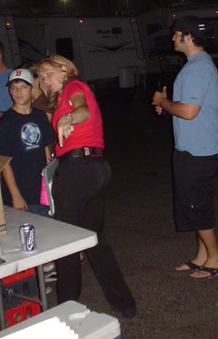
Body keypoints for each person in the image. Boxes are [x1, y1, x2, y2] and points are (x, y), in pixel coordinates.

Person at [37, 54, 136, 318]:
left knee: (67, 241)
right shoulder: (61, 95)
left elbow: (82, 110)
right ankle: (124, 303)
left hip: (77, 171)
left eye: (48, 73)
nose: (45, 80)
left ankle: (67, 310)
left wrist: (66, 119)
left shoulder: (74, 87)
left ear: (64, 69)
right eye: (41, 76)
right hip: (95, 168)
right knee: (94, 239)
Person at [152, 15, 218, 280]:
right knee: (196, 204)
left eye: (177, 34)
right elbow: (187, 108)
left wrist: (165, 101)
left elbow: (188, 111)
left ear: (189, 36)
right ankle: (202, 256)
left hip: (198, 151)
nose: (173, 37)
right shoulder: (199, 64)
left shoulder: (197, 68)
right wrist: (168, 105)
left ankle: (216, 257)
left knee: (197, 206)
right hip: (196, 148)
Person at [0, 68, 55, 217]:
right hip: (21, 190)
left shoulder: (40, 116)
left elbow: (46, 148)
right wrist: (15, 195)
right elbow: (3, 160)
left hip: (40, 190)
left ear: (32, 89)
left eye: (23, 87)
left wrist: (49, 183)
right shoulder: (6, 121)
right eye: (14, 88)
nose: (18, 92)